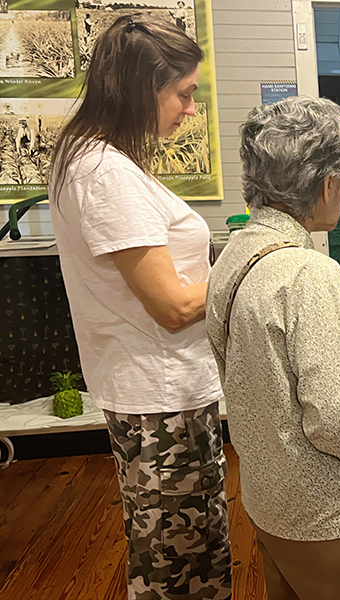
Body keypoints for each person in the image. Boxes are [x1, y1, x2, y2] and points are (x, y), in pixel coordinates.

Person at [206, 95, 340, 600]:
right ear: (326, 182)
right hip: (339, 521)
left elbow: (265, 379)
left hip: (273, 503)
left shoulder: (234, 252)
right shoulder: (309, 275)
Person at [48, 15, 231, 599]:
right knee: (179, 567)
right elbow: (174, 306)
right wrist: (249, 262)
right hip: (158, 400)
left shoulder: (97, 158)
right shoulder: (104, 173)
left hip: (165, 389)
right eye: (183, 94)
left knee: (191, 548)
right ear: (140, 89)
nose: (189, 109)